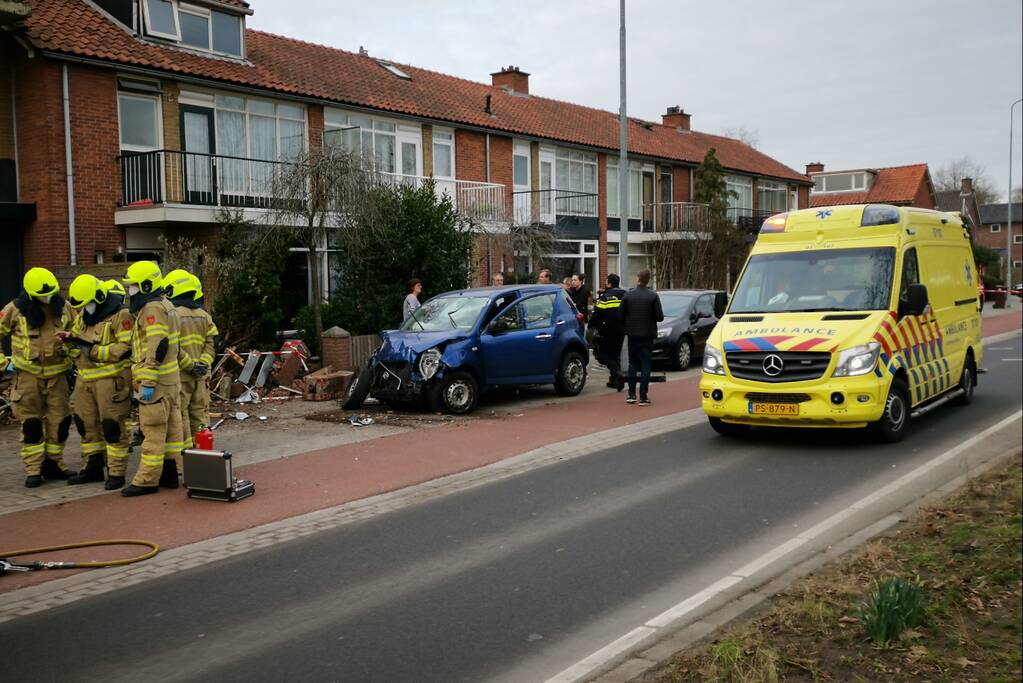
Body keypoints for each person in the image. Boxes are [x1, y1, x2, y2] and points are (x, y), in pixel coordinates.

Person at [0, 268, 75, 487]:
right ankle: (33, 470)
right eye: (43, 295)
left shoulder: (64, 307)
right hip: (27, 378)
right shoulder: (15, 309)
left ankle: (54, 465)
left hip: (57, 377)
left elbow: (77, 332)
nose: (48, 298)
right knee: (31, 425)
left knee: (60, 422)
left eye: (51, 293)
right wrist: (4, 363)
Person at [63, 274, 134, 489]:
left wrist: (93, 351)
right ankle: (92, 467)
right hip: (85, 381)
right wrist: (68, 341)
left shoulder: (120, 316)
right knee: (87, 426)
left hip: (111, 382)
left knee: (112, 427)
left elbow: (126, 348)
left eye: (88, 303)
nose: (86, 308)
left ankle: (116, 471)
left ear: (100, 296)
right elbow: (77, 338)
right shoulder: (84, 315)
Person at [121, 261, 183, 497]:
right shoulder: (167, 304)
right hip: (170, 379)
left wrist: (146, 382)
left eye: (134, 286)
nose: (130, 290)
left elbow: (156, 346)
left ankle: (146, 480)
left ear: (146, 285)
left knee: (153, 430)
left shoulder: (152, 309)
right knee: (172, 430)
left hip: (155, 382)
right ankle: (169, 473)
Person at [165, 269, 218, 452]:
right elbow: (211, 345)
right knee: (201, 416)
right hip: (201, 377)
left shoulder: (172, 315)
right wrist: (202, 364)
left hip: (181, 376)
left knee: (181, 417)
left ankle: (185, 457)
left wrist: (190, 365)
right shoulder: (205, 316)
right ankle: (204, 455)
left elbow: (173, 347)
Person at [620, 269, 663, 406]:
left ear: (638, 279)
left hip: (632, 333)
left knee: (633, 364)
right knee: (645, 364)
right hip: (647, 334)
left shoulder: (628, 295)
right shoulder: (653, 296)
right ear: (648, 280)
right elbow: (660, 317)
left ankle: (631, 394)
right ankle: (643, 397)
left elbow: (621, 315)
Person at [590, 273, 626, 390]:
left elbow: (597, 314)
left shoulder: (605, 297)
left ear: (609, 283)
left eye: (606, 281)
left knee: (603, 355)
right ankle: (615, 381)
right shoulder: (625, 295)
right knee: (616, 355)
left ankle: (618, 374)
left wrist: (591, 325)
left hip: (607, 330)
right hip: (621, 329)